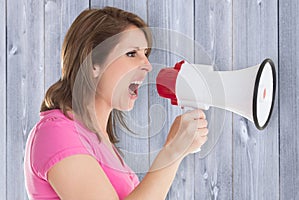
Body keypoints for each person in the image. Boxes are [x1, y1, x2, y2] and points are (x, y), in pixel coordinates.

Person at [24, 6, 208, 200]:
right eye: (131, 53)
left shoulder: (97, 140)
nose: (147, 64)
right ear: (93, 64)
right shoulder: (56, 133)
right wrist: (173, 151)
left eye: (145, 53)